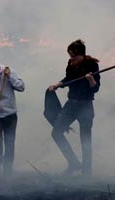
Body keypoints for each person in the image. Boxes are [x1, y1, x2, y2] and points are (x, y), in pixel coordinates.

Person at [48, 39, 100, 176]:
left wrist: (91, 79)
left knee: (85, 139)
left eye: (73, 56)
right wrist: (58, 84)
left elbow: (95, 88)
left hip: (86, 105)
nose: (71, 59)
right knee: (56, 133)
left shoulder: (92, 65)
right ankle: (74, 163)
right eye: (70, 56)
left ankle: (87, 172)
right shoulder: (71, 64)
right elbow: (68, 79)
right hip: (71, 105)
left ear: (81, 55)